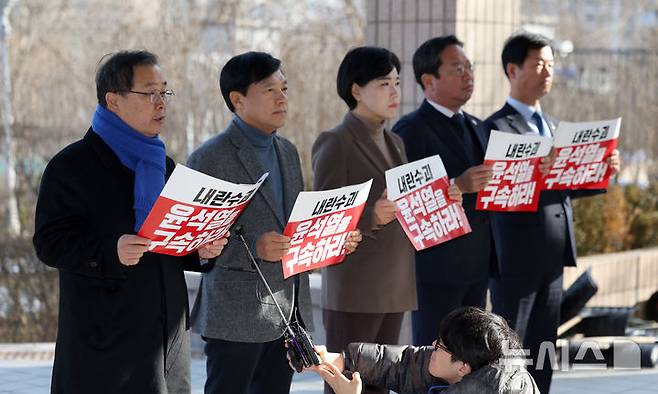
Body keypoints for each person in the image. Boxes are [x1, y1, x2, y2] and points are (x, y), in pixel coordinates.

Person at [32, 50, 228, 393]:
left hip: (167, 343)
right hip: (105, 346)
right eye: (149, 92)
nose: (161, 103)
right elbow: (50, 243)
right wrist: (112, 250)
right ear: (113, 100)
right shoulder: (72, 166)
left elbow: (170, 246)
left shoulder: (162, 165)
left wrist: (203, 248)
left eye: (165, 92)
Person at [186, 51, 361, 394]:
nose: (282, 97)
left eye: (284, 88)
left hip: (285, 317)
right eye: (269, 90)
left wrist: (330, 240)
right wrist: (254, 247)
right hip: (234, 317)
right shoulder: (209, 157)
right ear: (237, 100)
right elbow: (196, 242)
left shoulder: (287, 151)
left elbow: (294, 229)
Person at [313, 46, 460, 394]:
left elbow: (406, 203)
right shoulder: (335, 142)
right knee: (347, 384)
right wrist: (370, 216)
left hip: (393, 284)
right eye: (383, 84)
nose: (395, 92)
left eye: (396, 82)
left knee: (383, 382)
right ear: (356, 90)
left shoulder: (394, 141)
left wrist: (443, 197)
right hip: (356, 286)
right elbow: (325, 218)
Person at [483, 31, 621, 393]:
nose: (548, 72)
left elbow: (565, 184)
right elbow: (495, 193)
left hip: (553, 260)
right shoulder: (495, 128)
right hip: (515, 262)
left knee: (544, 350)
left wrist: (602, 168)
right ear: (512, 70)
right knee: (510, 353)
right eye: (539, 65)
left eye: (552, 65)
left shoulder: (557, 127)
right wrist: (531, 171)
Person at [392, 35, 496, 346]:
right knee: (434, 359)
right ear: (429, 80)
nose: (468, 75)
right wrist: (458, 186)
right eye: (457, 69)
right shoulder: (410, 131)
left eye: (469, 67)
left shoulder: (480, 126)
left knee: (473, 360)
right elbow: (408, 203)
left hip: (479, 264)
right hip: (435, 270)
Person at [310, 307, 539, 394]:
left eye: (440, 346)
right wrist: (339, 360)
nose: (432, 346)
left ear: (463, 367)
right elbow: (404, 364)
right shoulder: (487, 366)